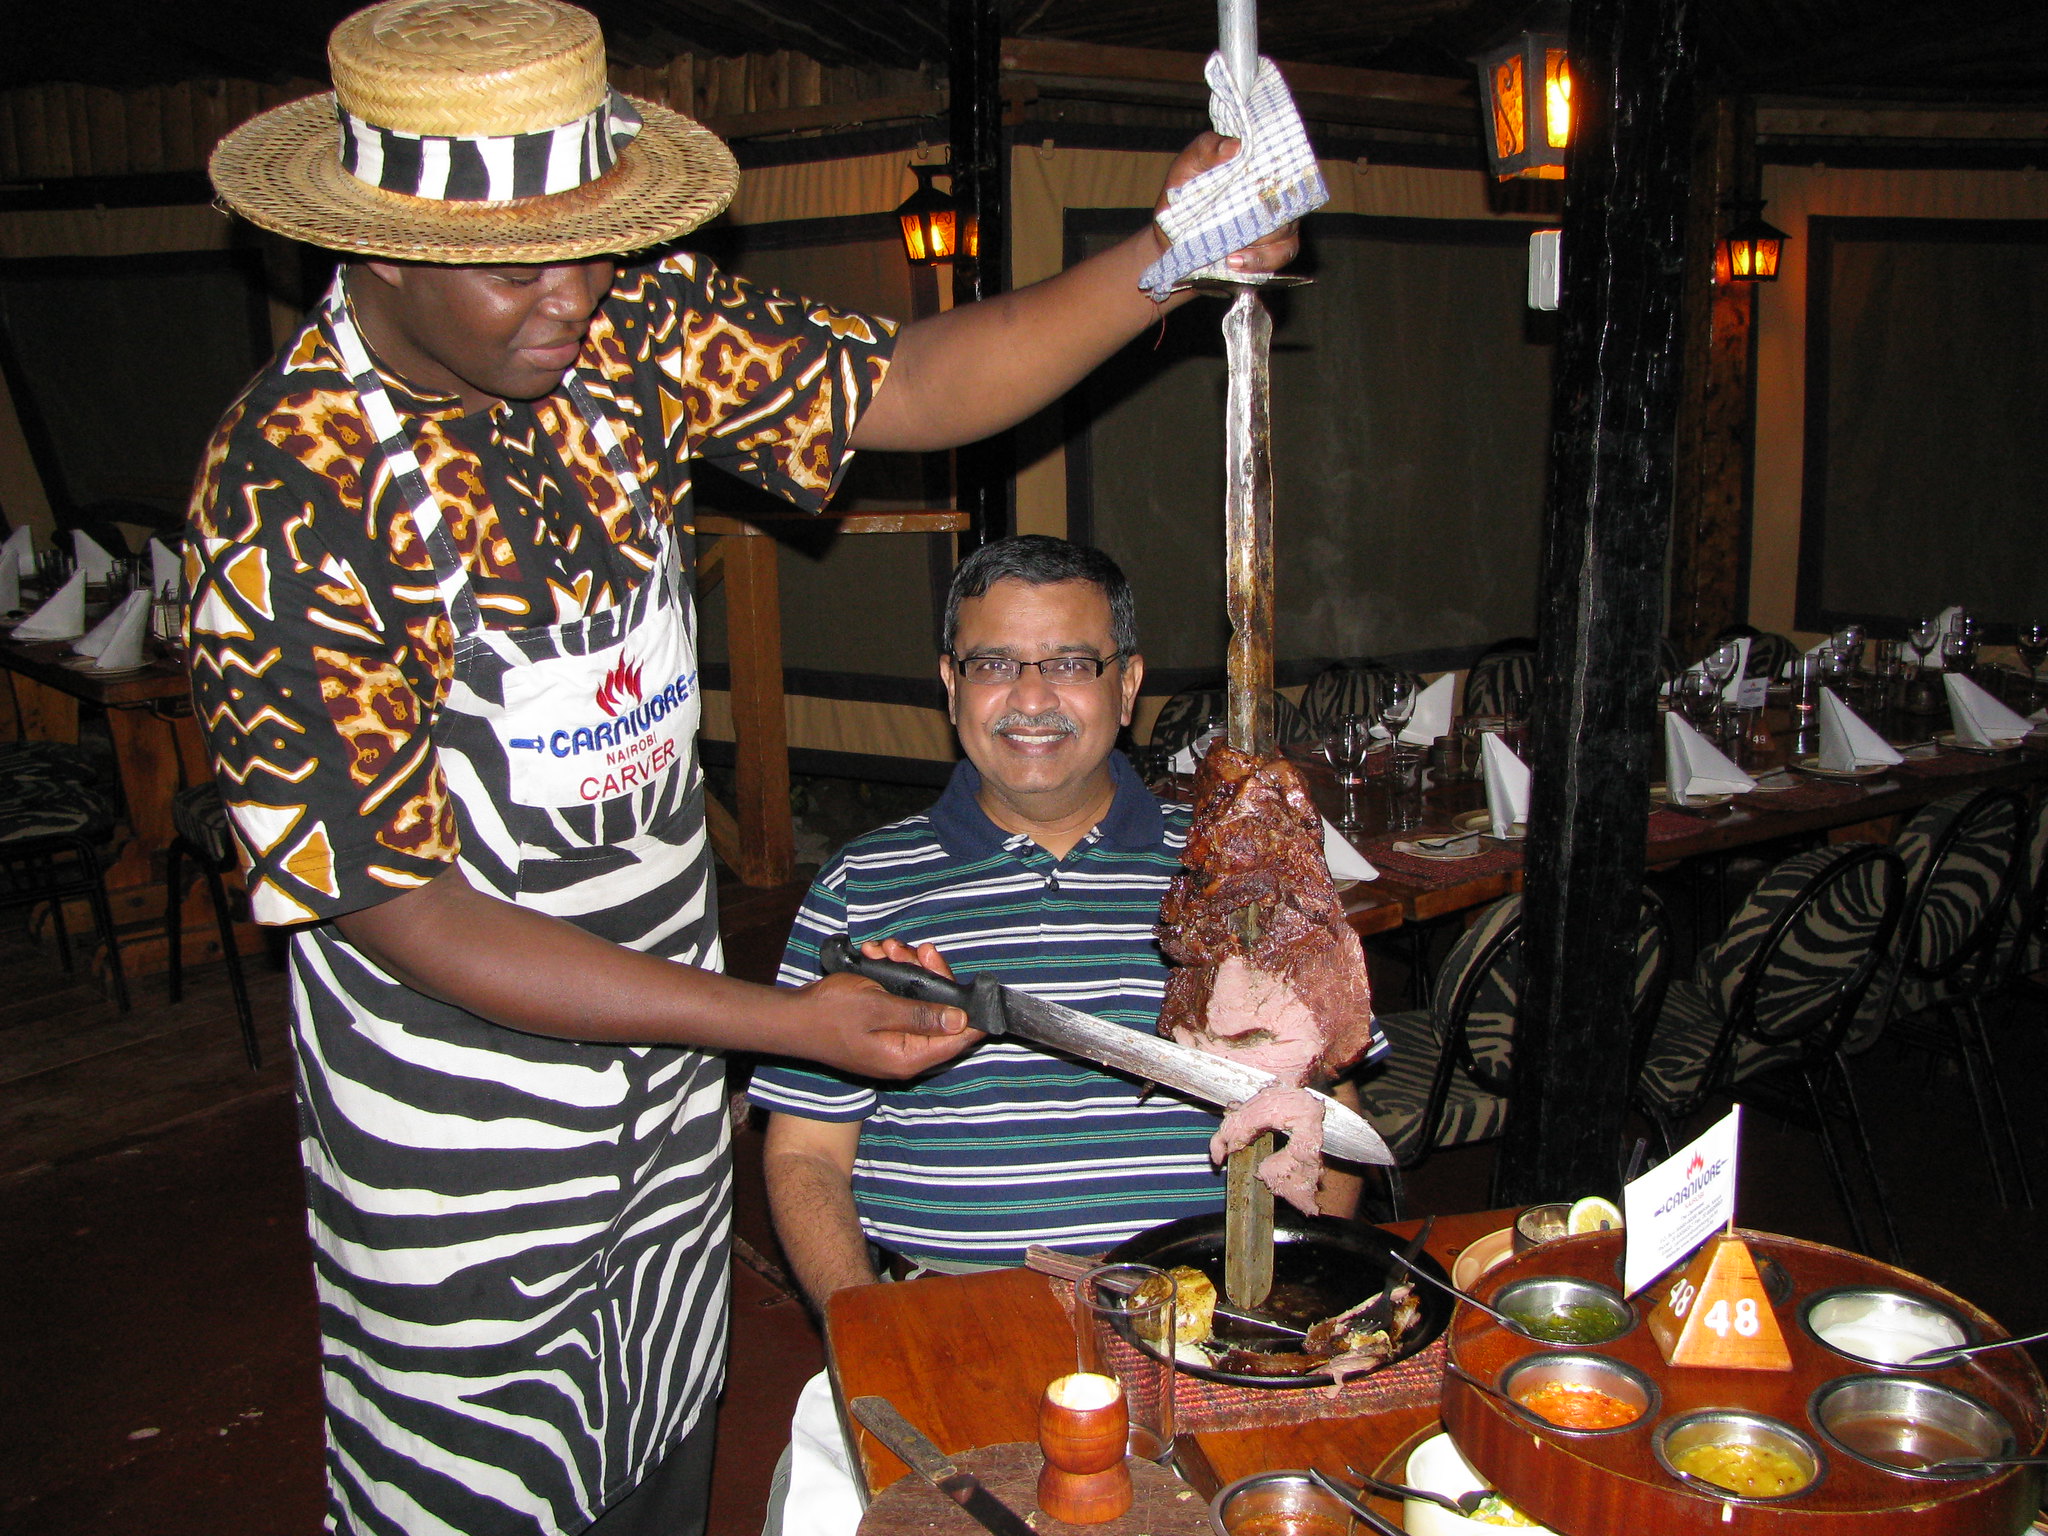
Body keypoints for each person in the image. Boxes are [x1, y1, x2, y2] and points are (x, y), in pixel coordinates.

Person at [184, 1, 1298, 1532]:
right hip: (468, 1137)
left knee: (658, 1458)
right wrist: (776, 1022)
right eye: (522, 265)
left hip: (659, 1118)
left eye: (590, 245)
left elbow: (908, 385)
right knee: (480, 1494)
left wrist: (1175, 246)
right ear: (377, 248)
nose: (572, 296)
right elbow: (402, 909)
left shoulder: (624, 339)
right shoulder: (290, 491)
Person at [749, 536, 1374, 1535]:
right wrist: (867, 1328)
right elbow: (805, 1155)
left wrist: (1281, 1322)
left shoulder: (1232, 877)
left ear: (1125, 686)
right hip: (950, 1332)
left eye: (1070, 663)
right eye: (994, 663)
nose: (1029, 697)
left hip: (1204, 1338)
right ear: (950, 683)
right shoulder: (861, 888)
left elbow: (1331, 1124)